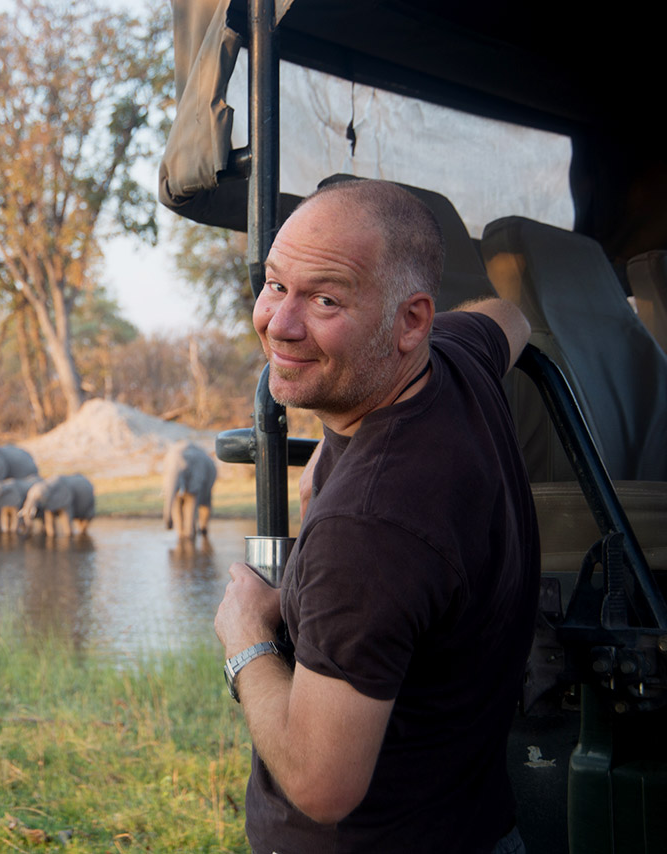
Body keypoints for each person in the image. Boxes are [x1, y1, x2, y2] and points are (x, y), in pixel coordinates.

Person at [214, 178, 540, 854]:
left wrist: (245, 637)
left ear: (410, 321)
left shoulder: (367, 532)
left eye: (326, 299)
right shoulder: (454, 361)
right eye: (276, 285)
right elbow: (510, 315)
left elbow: (319, 783)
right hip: (476, 823)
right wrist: (334, 463)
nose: (279, 322)